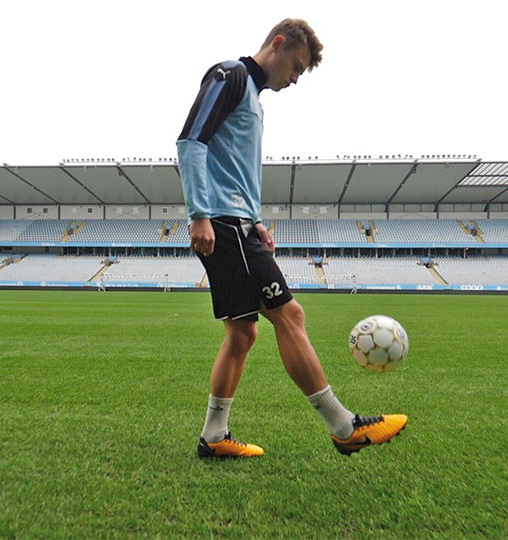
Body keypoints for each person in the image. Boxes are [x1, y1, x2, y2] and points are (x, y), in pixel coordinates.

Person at [176, 18, 407, 458]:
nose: (296, 78)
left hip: (239, 221)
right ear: (278, 44)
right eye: (297, 66)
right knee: (290, 315)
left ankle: (213, 437)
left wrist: (256, 218)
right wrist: (201, 215)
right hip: (224, 223)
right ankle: (345, 427)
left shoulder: (253, 99)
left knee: (243, 334)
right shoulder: (231, 75)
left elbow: (231, 164)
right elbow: (191, 142)